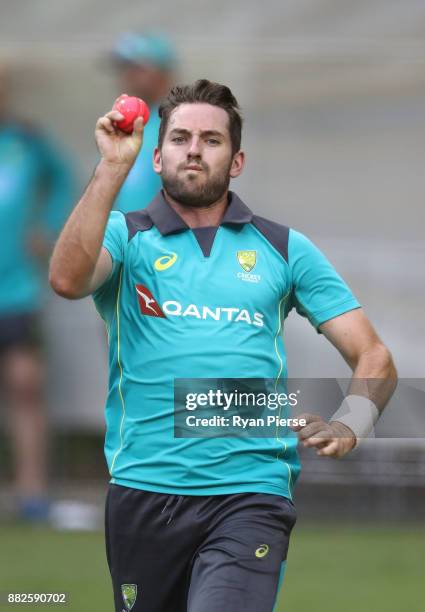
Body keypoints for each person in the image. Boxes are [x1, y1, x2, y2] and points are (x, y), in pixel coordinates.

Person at [49, 79, 397, 611]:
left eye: (211, 140)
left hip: (250, 491)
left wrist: (352, 423)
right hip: (144, 489)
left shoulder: (284, 247)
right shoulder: (124, 235)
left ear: (236, 161)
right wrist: (112, 169)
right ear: (158, 153)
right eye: (180, 138)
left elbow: (373, 355)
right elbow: (67, 280)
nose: (193, 149)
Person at [0, 63, 75, 522]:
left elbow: (65, 181)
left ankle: (31, 491)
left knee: (26, 384)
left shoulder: (26, 140)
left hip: (16, 288)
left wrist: (47, 230)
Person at [109, 31, 178, 213]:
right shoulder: (123, 124)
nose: (126, 76)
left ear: (161, 73)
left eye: (135, 68)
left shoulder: (178, 125)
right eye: (123, 69)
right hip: (120, 238)